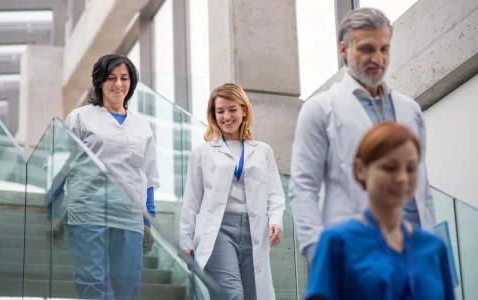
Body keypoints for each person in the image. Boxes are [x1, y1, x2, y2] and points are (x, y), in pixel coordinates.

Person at [289, 7, 436, 263]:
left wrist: (433, 246)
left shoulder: (410, 110)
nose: (378, 58)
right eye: (367, 49)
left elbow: (422, 186)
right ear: (344, 50)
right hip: (353, 253)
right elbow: (303, 187)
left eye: (384, 49)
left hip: (414, 248)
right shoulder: (320, 109)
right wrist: (316, 250)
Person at [46, 54, 159, 299]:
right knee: (92, 284)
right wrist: (54, 212)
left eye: (124, 78)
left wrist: (148, 221)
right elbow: (59, 167)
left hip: (129, 216)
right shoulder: (80, 117)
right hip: (89, 212)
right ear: (99, 82)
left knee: (127, 288)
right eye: (111, 78)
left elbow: (148, 176)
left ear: (131, 83)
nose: (118, 84)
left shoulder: (142, 126)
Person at [306, 122, 455, 300]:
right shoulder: (337, 243)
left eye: (411, 168)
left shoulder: (434, 247)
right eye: (390, 168)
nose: (402, 178)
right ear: (361, 170)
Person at [179, 83, 285, 300]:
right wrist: (186, 242)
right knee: (232, 294)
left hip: (255, 230)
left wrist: (276, 220)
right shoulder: (203, 152)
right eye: (220, 111)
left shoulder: (263, 151)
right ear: (213, 115)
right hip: (218, 230)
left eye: (232, 109)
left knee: (253, 295)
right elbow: (192, 200)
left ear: (244, 110)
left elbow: (275, 193)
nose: (226, 116)